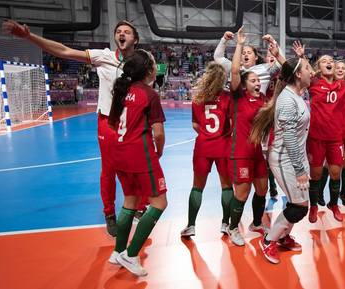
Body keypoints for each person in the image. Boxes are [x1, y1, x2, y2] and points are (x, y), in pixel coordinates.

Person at [2, 19, 140, 237]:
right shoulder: (103, 56)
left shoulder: (143, 61)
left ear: (135, 39)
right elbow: (64, 51)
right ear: (115, 37)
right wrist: (29, 36)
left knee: (132, 166)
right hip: (109, 122)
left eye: (127, 32)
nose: (122, 34)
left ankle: (135, 205)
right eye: (118, 31)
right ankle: (109, 214)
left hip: (132, 122)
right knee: (110, 169)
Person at [291, 41, 345, 224]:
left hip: (335, 139)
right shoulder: (313, 82)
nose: (329, 62)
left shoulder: (344, 85)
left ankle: (333, 203)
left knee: (335, 173)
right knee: (315, 175)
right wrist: (300, 56)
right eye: (324, 61)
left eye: (330, 59)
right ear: (318, 68)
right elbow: (298, 69)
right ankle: (314, 206)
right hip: (316, 138)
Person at [107, 49, 167, 276]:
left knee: (130, 201)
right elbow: (158, 133)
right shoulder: (149, 94)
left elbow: (113, 124)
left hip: (120, 153)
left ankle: (117, 251)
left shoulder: (121, 91)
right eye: (153, 63)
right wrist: (158, 152)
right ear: (148, 69)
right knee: (160, 202)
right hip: (140, 155)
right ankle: (131, 254)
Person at [250, 57, 312, 264]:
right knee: (300, 206)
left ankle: (283, 237)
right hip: (285, 159)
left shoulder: (295, 95)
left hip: (295, 159)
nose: (311, 71)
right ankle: (269, 240)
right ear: (298, 74)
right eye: (307, 68)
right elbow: (290, 138)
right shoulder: (287, 100)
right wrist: (300, 168)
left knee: (301, 203)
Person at [179, 62, 233, 237]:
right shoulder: (227, 97)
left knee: (197, 187)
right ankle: (226, 223)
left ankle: (191, 225)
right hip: (223, 145)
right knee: (226, 186)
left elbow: (195, 124)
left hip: (203, 145)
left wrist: (206, 134)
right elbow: (232, 124)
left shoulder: (198, 97)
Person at [227, 27, 269, 246]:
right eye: (252, 80)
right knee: (242, 193)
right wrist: (240, 44)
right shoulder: (238, 96)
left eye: (257, 80)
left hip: (257, 153)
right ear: (244, 84)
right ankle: (233, 228)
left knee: (262, 189)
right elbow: (235, 71)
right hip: (240, 153)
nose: (257, 82)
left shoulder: (262, 99)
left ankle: (256, 223)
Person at [318, 60, 345, 207]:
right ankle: (320, 193)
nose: (340, 70)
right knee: (328, 165)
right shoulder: (326, 86)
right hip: (332, 132)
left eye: (343, 68)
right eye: (337, 67)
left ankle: (343, 193)